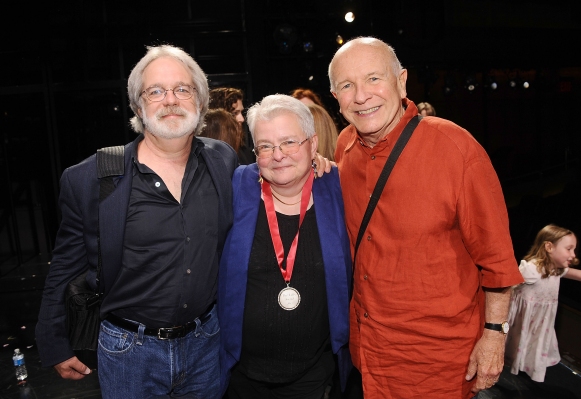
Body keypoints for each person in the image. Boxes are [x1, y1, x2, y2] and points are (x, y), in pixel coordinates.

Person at [35, 44, 238, 398]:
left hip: (207, 342)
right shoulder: (92, 178)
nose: (170, 100)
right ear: (138, 107)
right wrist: (53, 341)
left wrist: (317, 165)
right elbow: (66, 266)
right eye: (155, 91)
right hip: (129, 353)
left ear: (200, 101)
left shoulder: (222, 161)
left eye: (182, 89)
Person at [328, 37, 524, 398]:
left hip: (437, 362)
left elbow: (496, 259)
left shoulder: (456, 148)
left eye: (374, 78)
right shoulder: (344, 146)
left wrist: (495, 336)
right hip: (367, 351)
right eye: (346, 85)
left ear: (402, 81)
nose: (361, 95)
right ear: (335, 96)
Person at [218, 94, 352, 398]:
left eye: (290, 142)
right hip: (241, 375)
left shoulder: (339, 189)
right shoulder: (237, 186)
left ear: (313, 144)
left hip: (313, 375)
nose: (278, 155)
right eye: (265, 146)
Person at [505, 224, 581, 382]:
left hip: (539, 322)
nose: (573, 255)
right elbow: (507, 287)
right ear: (549, 247)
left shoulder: (557, 269)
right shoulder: (532, 269)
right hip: (522, 321)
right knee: (512, 348)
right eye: (568, 249)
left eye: (574, 249)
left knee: (530, 348)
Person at [209, 87, 254, 165]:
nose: (242, 119)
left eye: (241, 112)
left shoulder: (244, 151)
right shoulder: (206, 154)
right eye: (235, 113)